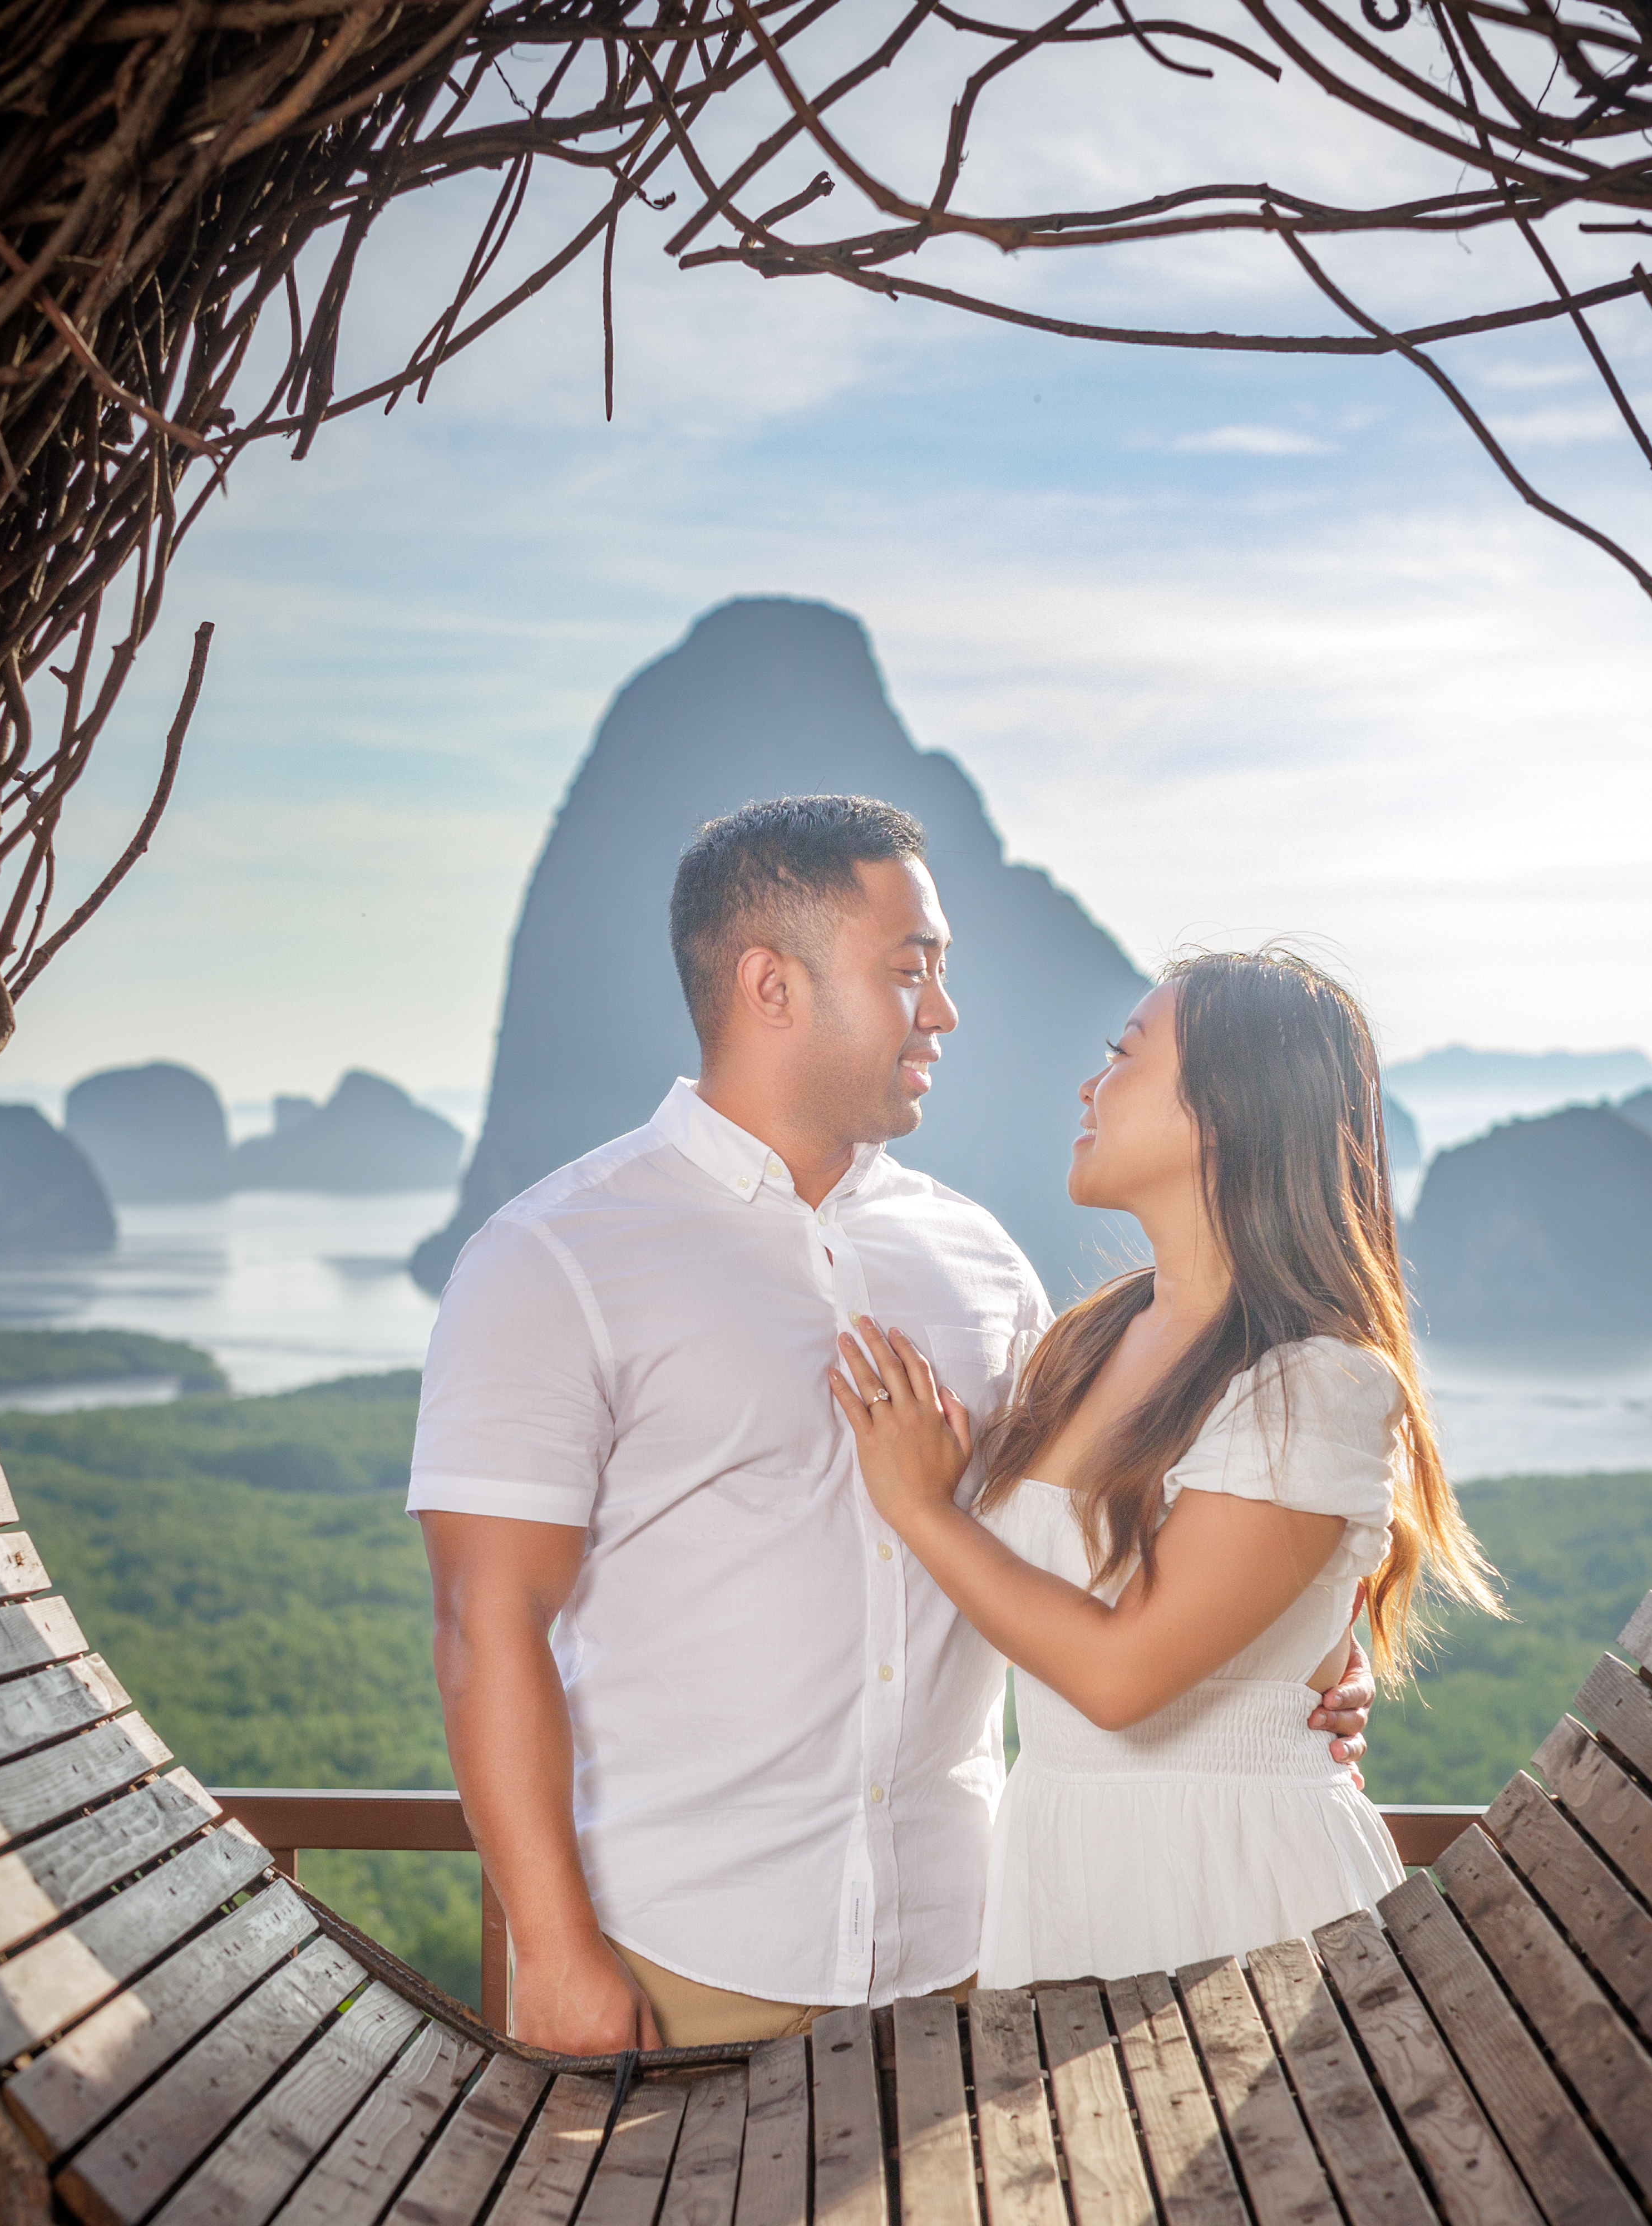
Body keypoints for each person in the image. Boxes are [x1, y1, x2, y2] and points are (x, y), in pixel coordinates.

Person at [408, 799, 1376, 2051]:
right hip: (688, 1957)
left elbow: (1143, 1524)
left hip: (983, 1951)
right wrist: (553, 1948)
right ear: (771, 984)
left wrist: (1293, 1671)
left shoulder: (983, 1263)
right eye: (910, 969)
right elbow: (486, 1624)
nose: (945, 1011)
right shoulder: (553, 1257)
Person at [829, 947, 1498, 1987]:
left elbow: (1117, 1676)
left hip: (1232, 1893)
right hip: (1060, 1867)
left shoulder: (1319, 1383)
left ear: (1223, 1112)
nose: (1090, 1085)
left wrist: (924, 1507)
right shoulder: (1087, 1338)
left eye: (1123, 1056)